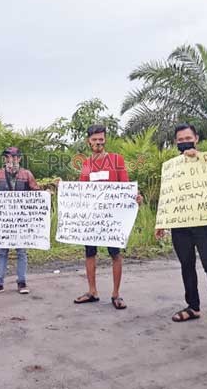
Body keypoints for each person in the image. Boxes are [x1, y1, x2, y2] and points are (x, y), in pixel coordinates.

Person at [156, 123, 207, 336]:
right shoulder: (171, 167)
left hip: (203, 225)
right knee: (186, 265)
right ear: (176, 142)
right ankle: (193, 307)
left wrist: (200, 158)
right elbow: (167, 196)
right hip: (180, 226)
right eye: (180, 140)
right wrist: (161, 222)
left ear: (196, 138)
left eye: (188, 138)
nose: (184, 142)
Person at [73, 125, 142, 309]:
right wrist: (66, 192)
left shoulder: (117, 160)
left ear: (105, 140)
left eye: (101, 139)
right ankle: (92, 291)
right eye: (94, 139)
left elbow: (126, 185)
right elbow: (81, 189)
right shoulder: (87, 164)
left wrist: (136, 197)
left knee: (115, 253)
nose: (98, 143)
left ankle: (116, 294)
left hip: (114, 218)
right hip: (92, 218)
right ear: (88, 141)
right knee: (90, 253)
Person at [0, 147, 41, 296]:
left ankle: (22, 282)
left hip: (21, 220)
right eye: (8, 157)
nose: (11, 160)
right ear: (5, 159)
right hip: (4, 220)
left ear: (19, 159)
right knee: (2, 252)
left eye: (14, 157)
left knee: (21, 251)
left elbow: (36, 192)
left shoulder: (27, 174)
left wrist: (44, 193)